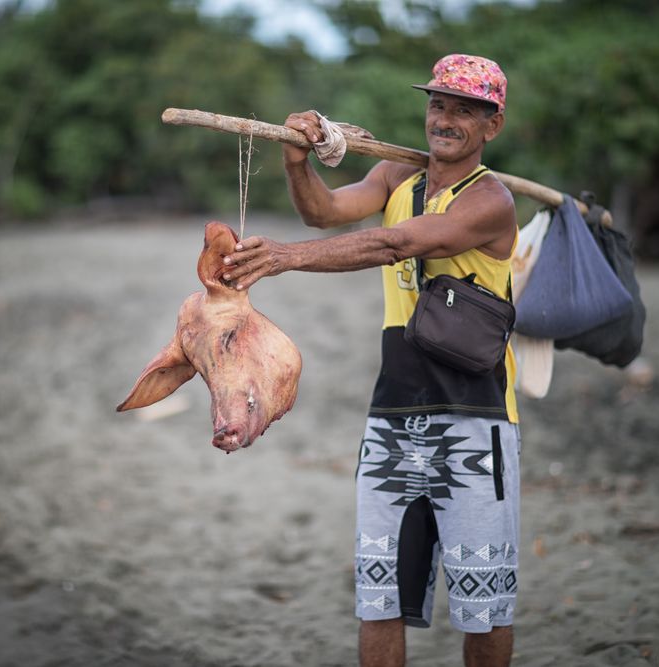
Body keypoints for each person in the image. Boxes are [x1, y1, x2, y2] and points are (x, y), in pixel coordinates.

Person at [222, 54, 520, 667]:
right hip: (392, 417)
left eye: (466, 110)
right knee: (378, 595)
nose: (446, 119)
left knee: (483, 605)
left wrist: (285, 258)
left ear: (492, 126)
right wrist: (296, 157)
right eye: (439, 105)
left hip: (476, 418)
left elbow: (395, 243)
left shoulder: (491, 201)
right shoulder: (394, 179)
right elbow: (322, 212)